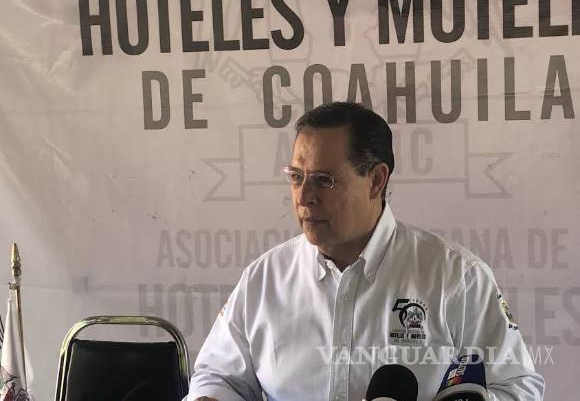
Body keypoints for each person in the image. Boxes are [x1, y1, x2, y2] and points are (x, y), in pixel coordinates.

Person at [185, 102, 544, 400]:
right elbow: (219, 377)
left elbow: (517, 387)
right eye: (296, 177)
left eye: (324, 180)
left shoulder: (456, 277)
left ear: (376, 180)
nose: (304, 197)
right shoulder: (265, 278)